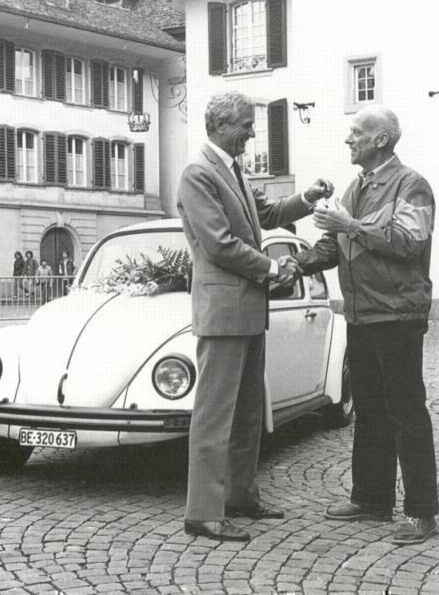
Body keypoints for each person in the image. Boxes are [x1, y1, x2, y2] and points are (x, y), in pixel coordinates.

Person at [177, 91, 333, 542]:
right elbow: (219, 243)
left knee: (246, 412)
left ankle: (239, 495)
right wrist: (272, 267)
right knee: (214, 415)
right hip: (225, 313)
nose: (252, 131)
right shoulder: (198, 173)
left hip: (247, 312)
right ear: (222, 125)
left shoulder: (232, 170)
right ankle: (202, 511)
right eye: (246, 123)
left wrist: (306, 197)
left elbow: (266, 215)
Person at [295, 105, 438, 545]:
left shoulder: (412, 185)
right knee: (371, 412)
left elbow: (411, 243)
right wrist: (288, 267)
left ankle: (422, 512)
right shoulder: (357, 187)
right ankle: (372, 499)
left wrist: (350, 225)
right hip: (360, 315)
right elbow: (330, 245)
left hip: (397, 316)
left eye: (356, 133)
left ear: (381, 139)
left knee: (406, 412)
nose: (348, 140)